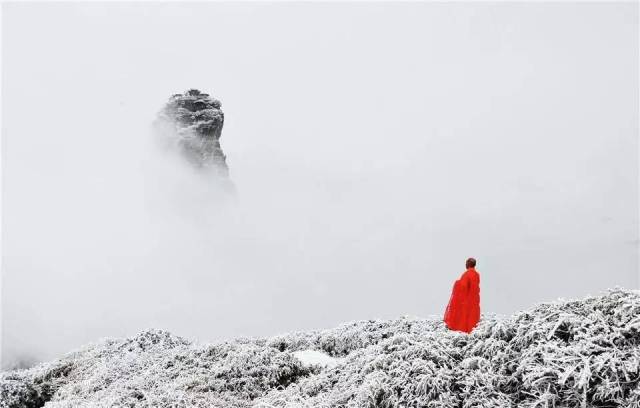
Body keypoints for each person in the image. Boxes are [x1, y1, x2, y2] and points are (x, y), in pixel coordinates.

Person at [443, 258, 481, 333]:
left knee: (463, 319)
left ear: (468, 264)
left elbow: (463, 287)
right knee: (472, 319)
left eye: (466, 263)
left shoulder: (466, 274)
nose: (465, 264)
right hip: (474, 300)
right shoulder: (477, 274)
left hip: (466, 301)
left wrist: (457, 283)